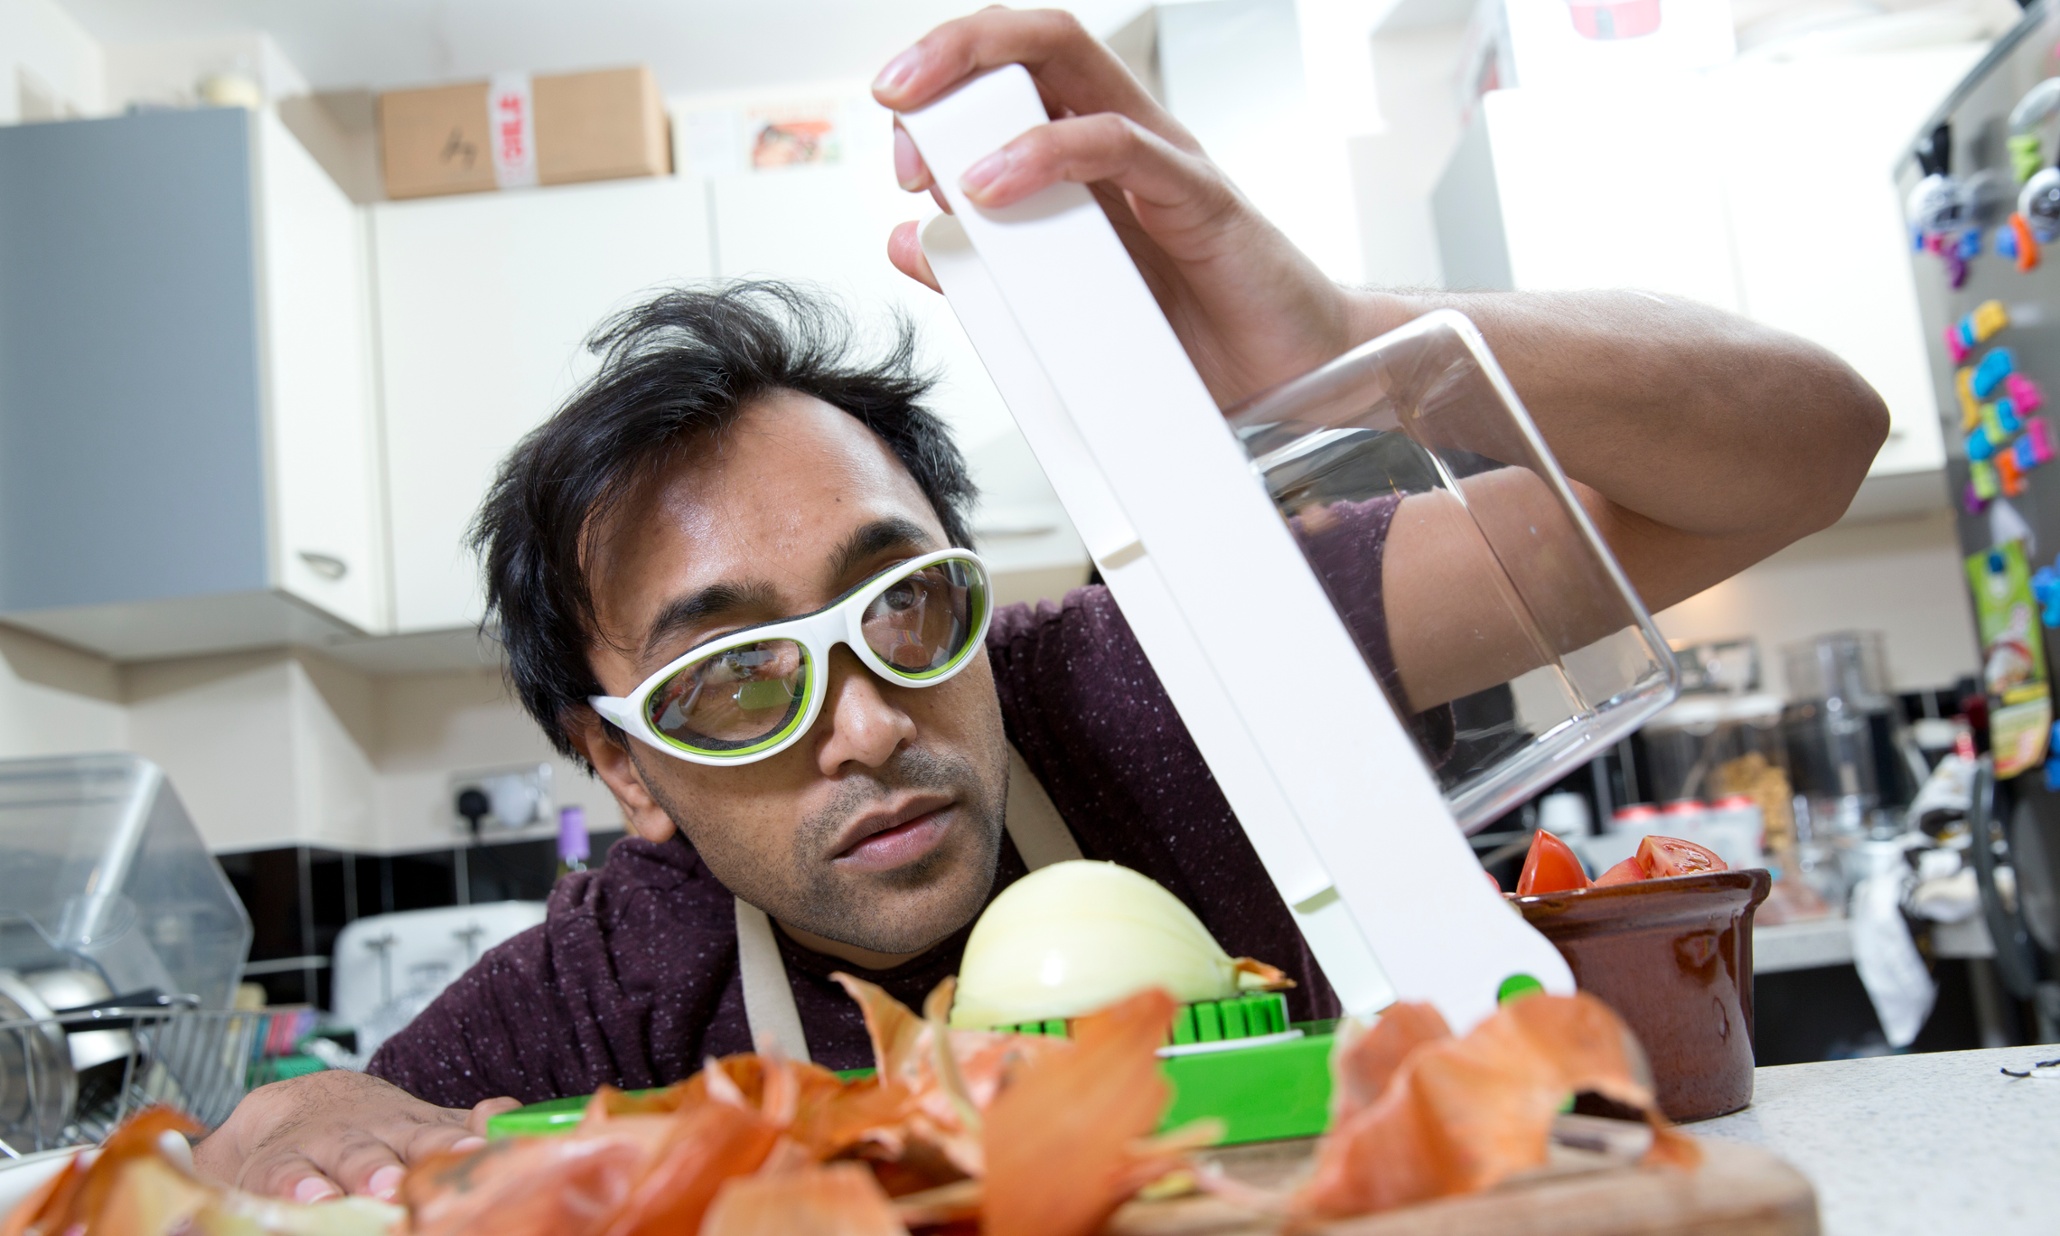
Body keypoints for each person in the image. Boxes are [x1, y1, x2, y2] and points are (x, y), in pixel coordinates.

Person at [191, 7, 1886, 1202]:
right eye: (732, 687)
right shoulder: (630, 973)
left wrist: (1339, 339)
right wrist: (306, 1116)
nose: (866, 725)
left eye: (905, 611)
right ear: (625, 772)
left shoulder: (1170, 677)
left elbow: (1805, 453)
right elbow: (308, 1133)